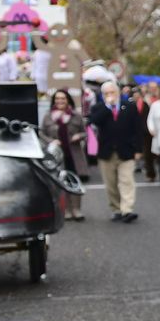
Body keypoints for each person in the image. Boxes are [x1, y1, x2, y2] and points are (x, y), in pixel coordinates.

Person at [87, 80, 141, 223]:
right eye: (106, 93)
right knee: (111, 184)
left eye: (112, 92)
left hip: (126, 150)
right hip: (106, 151)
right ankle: (116, 209)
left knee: (126, 181)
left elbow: (137, 129)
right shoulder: (98, 108)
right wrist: (107, 107)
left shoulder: (129, 107)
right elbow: (94, 121)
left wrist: (138, 149)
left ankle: (127, 209)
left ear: (118, 92)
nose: (110, 95)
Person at [40, 89, 88, 221]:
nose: (60, 101)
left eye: (63, 98)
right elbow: (41, 133)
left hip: (74, 153)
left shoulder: (76, 115)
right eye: (57, 99)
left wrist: (79, 136)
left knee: (74, 180)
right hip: (56, 155)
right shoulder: (48, 115)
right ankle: (65, 210)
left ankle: (77, 210)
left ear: (68, 100)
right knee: (60, 181)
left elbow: (85, 132)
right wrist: (51, 141)